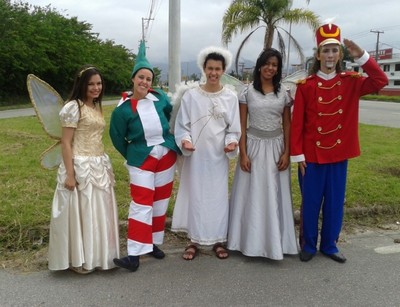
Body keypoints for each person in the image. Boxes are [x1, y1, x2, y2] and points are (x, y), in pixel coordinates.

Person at [290, 23, 388, 263]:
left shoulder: (351, 82)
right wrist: (298, 155)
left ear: (340, 54)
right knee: (311, 204)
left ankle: (330, 245)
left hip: (338, 154)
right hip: (312, 156)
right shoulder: (306, 86)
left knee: (334, 203)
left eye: (334, 50)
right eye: (326, 50)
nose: (330, 55)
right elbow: (297, 124)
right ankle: (309, 245)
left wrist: (362, 56)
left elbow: (380, 80)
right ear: (318, 55)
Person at [109, 40, 180, 272]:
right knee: (141, 203)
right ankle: (134, 254)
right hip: (141, 158)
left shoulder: (159, 98)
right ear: (133, 78)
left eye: (148, 79)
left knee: (160, 203)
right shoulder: (122, 109)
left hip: (166, 157)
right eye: (141, 77)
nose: (144, 82)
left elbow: (170, 114)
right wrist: (132, 152)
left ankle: (151, 244)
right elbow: (117, 136)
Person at [227, 48, 298, 260]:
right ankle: (247, 242)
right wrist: (243, 154)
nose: (270, 68)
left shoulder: (284, 92)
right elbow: (241, 123)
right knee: (251, 193)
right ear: (260, 65)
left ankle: (277, 243)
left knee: (275, 194)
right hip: (254, 147)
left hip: (276, 148)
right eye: (267, 63)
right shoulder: (247, 92)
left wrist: (287, 152)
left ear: (278, 69)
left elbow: (287, 123)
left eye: (274, 65)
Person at [48, 66, 120, 274]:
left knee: (97, 212)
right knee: (83, 212)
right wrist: (71, 174)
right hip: (80, 165)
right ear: (82, 85)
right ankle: (80, 259)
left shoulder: (95, 107)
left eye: (99, 83)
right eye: (91, 84)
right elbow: (66, 142)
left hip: (98, 164)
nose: (96, 88)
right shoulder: (73, 107)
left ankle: (97, 256)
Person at [171, 46, 241, 260]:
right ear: (203, 68)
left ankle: (218, 240)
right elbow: (182, 125)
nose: (213, 73)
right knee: (196, 196)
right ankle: (193, 240)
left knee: (217, 197)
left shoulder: (230, 97)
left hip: (218, 157)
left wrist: (231, 143)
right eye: (210, 68)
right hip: (196, 156)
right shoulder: (191, 96)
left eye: (217, 69)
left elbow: (234, 129)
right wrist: (185, 140)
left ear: (223, 70)